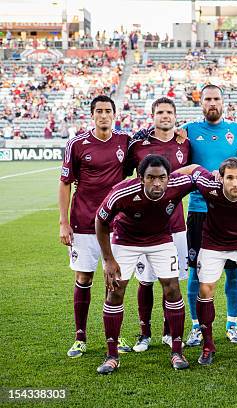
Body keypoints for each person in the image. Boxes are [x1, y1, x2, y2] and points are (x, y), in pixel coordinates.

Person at [95, 155, 193, 374]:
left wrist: (211, 175)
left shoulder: (178, 184)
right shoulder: (122, 192)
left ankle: (177, 351)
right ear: (141, 178)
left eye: (162, 178)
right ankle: (112, 355)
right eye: (151, 178)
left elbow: (195, 171)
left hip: (160, 240)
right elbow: (100, 221)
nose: (157, 183)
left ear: (169, 177)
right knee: (115, 292)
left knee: (173, 289)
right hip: (126, 241)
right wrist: (109, 259)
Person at [181, 84, 237, 346]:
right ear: (200, 103)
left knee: (233, 271)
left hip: (231, 211)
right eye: (207, 99)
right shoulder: (189, 131)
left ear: (223, 103)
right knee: (194, 272)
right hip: (199, 210)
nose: (212, 103)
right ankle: (196, 326)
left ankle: (232, 324)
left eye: (216, 99)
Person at [59, 95, 131, 359]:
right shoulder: (76, 144)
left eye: (107, 111)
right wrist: (64, 222)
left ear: (115, 114)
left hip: (116, 225)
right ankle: (80, 337)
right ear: (92, 115)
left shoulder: (125, 141)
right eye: (99, 111)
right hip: (83, 222)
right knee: (84, 278)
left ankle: (115, 334)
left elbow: (148, 145)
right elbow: (65, 182)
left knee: (114, 280)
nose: (103, 115)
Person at [124, 97, 191, 353]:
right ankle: (144, 333)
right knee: (146, 281)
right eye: (160, 112)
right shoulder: (139, 145)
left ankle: (168, 333)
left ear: (175, 116)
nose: (165, 116)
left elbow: (191, 174)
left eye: (169, 112)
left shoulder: (185, 144)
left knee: (171, 281)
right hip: (143, 226)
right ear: (153, 116)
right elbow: (124, 177)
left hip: (175, 224)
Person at [189, 159, 237, 365]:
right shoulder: (209, 186)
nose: (235, 183)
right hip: (213, 244)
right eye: (230, 178)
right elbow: (193, 169)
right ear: (220, 178)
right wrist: (168, 177)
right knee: (205, 290)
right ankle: (208, 346)